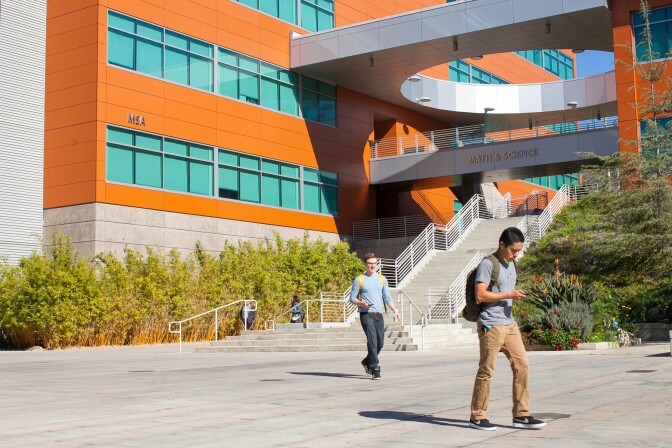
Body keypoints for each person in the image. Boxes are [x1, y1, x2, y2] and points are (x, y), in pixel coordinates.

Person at [469, 227, 546, 431]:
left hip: (510, 324)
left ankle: (521, 414)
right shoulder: (488, 264)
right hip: (491, 325)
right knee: (486, 370)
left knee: (522, 366)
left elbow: (505, 289)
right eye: (513, 250)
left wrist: (514, 295)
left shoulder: (512, 264)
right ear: (502, 244)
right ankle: (477, 416)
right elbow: (480, 295)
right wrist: (509, 295)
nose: (516, 255)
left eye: (519, 251)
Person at [349, 252, 400, 380]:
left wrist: (395, 310)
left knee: (380, 343)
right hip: (366, 314)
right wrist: (361, 303)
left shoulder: (382, 279)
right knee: (372, 341)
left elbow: (387, 297)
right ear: (365, 264)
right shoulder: (359, 279)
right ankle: (375, 368)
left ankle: (367, 361)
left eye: (374, 263)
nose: (372, 266)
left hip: (378, 315)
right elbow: (352, 298)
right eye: (369, 264)